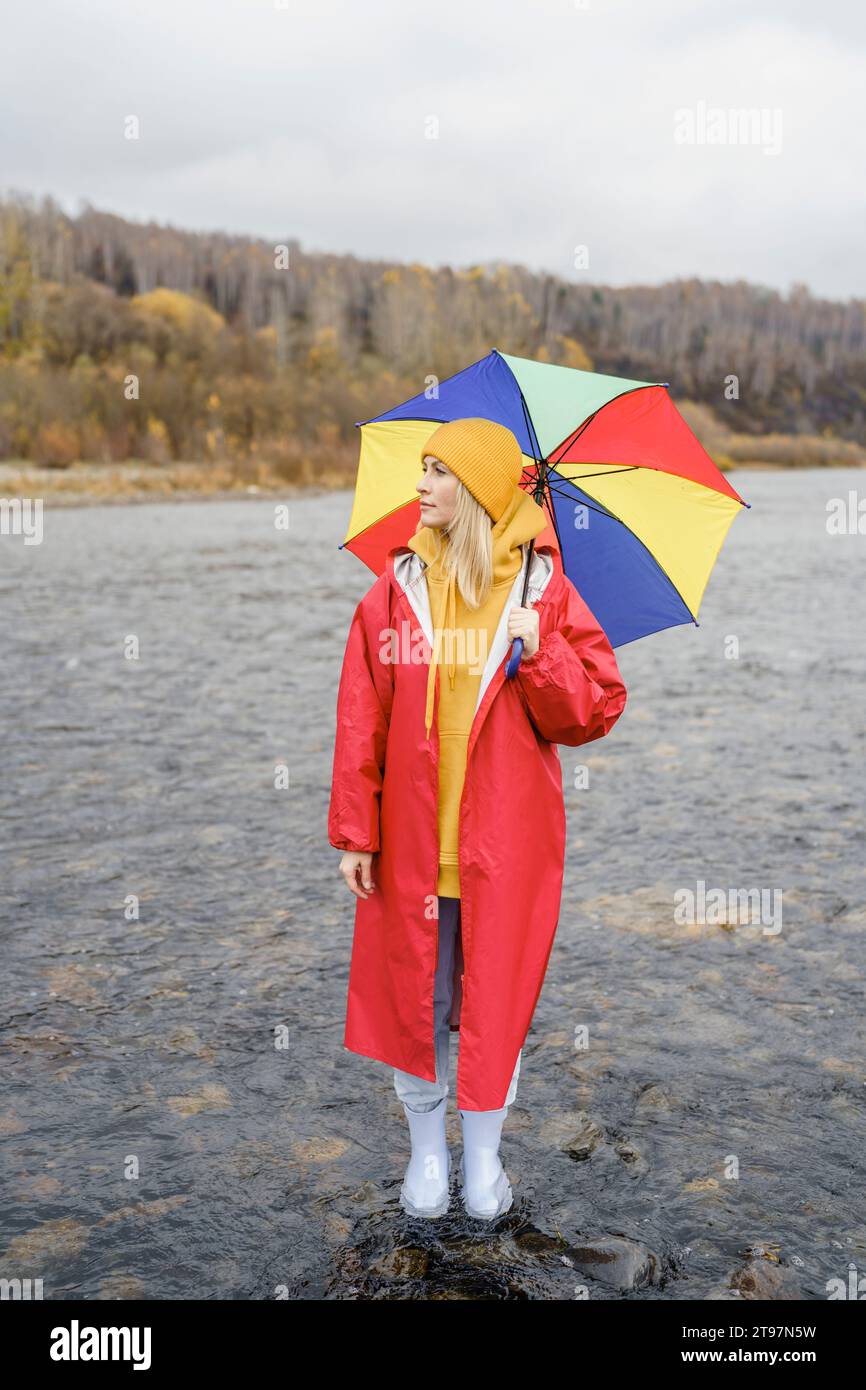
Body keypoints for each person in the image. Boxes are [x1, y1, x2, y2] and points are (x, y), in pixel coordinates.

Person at [328, 417, 627, 1220]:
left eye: (436, 471)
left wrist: (547, 651)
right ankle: (428, 1158)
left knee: (494, 1006)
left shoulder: (545, 592)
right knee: (413, 1005)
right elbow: (362, 716)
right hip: (415, 852)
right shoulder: (396, 591)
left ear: (480, 490)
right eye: (421, 469)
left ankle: (485, 1163)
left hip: (507, 850)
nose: (419, 486)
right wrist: (356, 831)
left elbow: (594, 712)